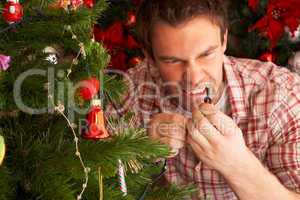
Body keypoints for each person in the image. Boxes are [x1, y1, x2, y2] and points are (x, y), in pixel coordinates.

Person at [106, 0, 300, 199]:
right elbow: (98, 183)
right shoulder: (127, 94)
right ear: (149, 56)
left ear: (224, 40)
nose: (194, 77)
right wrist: (141, 147)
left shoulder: (280, 95)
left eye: (206, 54)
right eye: (172, 60)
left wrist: (237, 165)